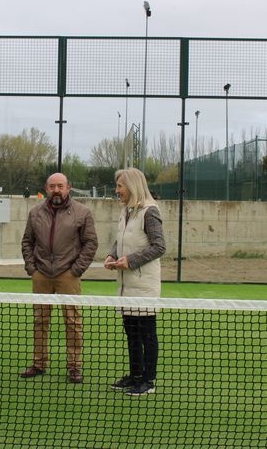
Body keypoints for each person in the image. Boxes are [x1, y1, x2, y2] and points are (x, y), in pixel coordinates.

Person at [20, 173, 98, 383]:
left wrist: (75, 271)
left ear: (68, 187)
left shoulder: (83, 213)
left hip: (68, 275)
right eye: (52, 186)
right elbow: (27, 242)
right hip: (41, 275)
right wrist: (32, 268)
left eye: (60, 186)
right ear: (46, 188)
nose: (56, 190)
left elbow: (90, 244)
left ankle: (74, 367)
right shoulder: (35, 213)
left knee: (73, 322)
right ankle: (39, 363)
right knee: (40, 321)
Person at [103, 167, 166, 396]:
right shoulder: (126, 211)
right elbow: (122, 239)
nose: (117, 190)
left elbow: (159, 246)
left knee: (146, 334)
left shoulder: (150, 212)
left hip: (144, 287)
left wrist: (129, 261)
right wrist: (112, 255)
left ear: (132, 186)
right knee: (131, 332)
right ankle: (135, 375)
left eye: (120, 185)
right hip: (125, 286)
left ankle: (148, 381)